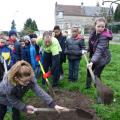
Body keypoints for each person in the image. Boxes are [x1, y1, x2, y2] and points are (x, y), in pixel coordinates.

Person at [0, 60, 67, 120]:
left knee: (16, 111)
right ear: (16, 78)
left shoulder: (29, 78)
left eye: (28, 81)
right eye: (25, 82)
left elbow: (39, 91)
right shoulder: (9, 86)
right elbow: (13, 100)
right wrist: (24, 107)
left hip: (17, 95)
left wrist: (53, 105)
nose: (27, 83)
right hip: (2, 97)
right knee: (2, 111)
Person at [86, 18, 112, 89]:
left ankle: (100, 91)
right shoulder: (93, 33)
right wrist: (87, 50)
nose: (100, 28)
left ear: (105, 27)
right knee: (89, 69)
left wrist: (92, 61)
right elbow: (92, 44)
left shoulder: (104, 37)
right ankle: (87, 87)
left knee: (96, 74)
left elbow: (99, 50)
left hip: (103, 58)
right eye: (98, 26)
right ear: (95, 26)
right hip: (94, 56)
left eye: (102, 27)